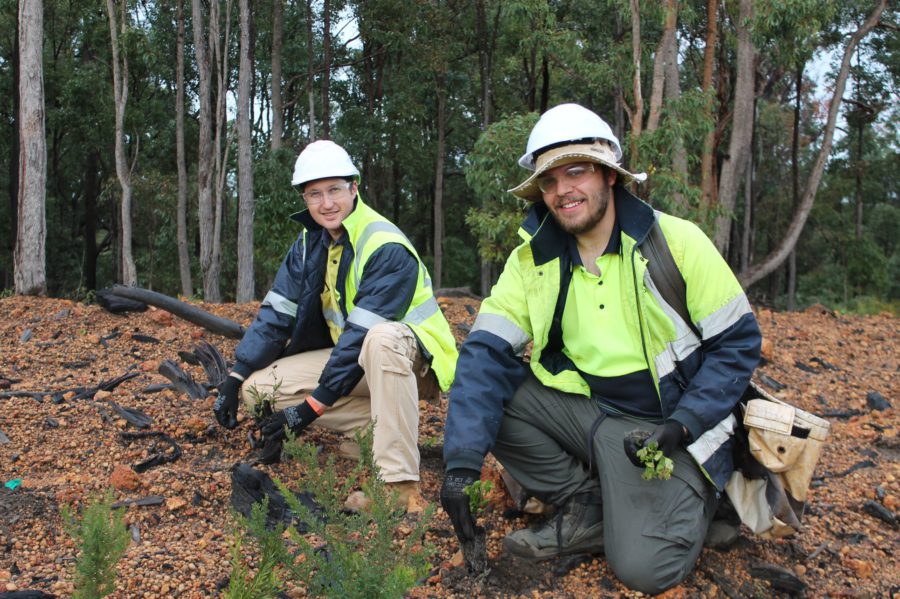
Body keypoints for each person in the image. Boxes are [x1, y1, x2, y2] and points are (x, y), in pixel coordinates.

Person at [439, 104, 761, 594]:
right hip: (594, 416)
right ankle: (587, 504)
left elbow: (736, 344)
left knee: (642, 570)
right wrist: (461, 465)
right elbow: (483, 355)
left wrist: (683, 424)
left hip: (670, 432)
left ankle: (703, 503)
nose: (563, 190)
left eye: (576, 171)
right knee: (494, 387)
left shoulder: (676, 243)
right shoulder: (533, 261)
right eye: (549, 181)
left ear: (609, 175)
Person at [214, 139, 458, 508]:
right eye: (315, 194)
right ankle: (375, 434)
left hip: (413, 360)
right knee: (258, 390)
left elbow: (362, 334)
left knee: (381, 339)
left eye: (334, 190)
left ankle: (399, 487)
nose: (326, 204)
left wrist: (311, 407)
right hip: (358, 360)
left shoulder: (383, 243)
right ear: (304, 199)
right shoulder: (308, 244)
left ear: (354, 188)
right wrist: (235, 377)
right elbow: (276, 314)